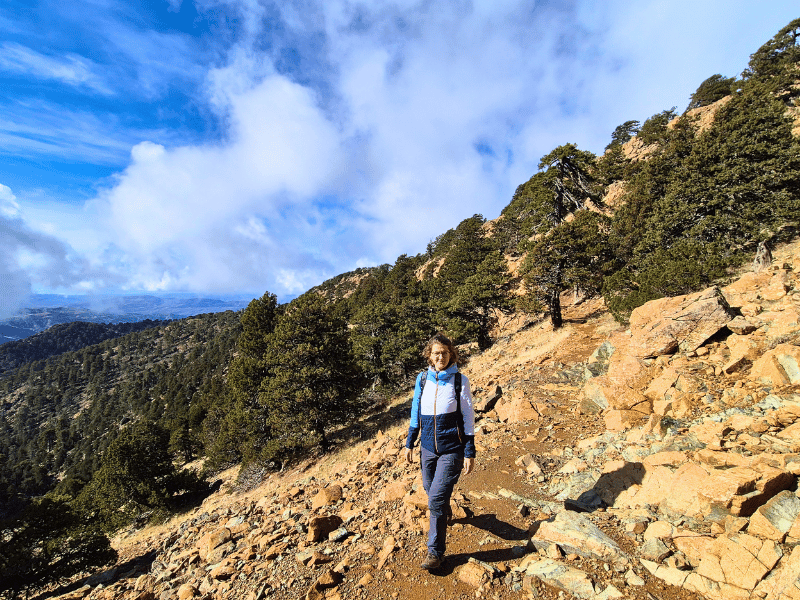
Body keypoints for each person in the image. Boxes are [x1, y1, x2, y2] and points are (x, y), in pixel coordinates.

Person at [404, 333, 476, 570]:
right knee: (430, 489)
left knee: (434, 499)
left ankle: (435, 553)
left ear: (451, 354)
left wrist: (469, 450)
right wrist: (410, 442)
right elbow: (416, 408)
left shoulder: (459, 381)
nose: (441, 356)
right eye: (436, 352)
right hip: (427, 448)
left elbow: (467, 416)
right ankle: (444, 509)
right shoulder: (422, 379)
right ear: (430, 355)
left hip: (451, 449)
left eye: (445, 352)